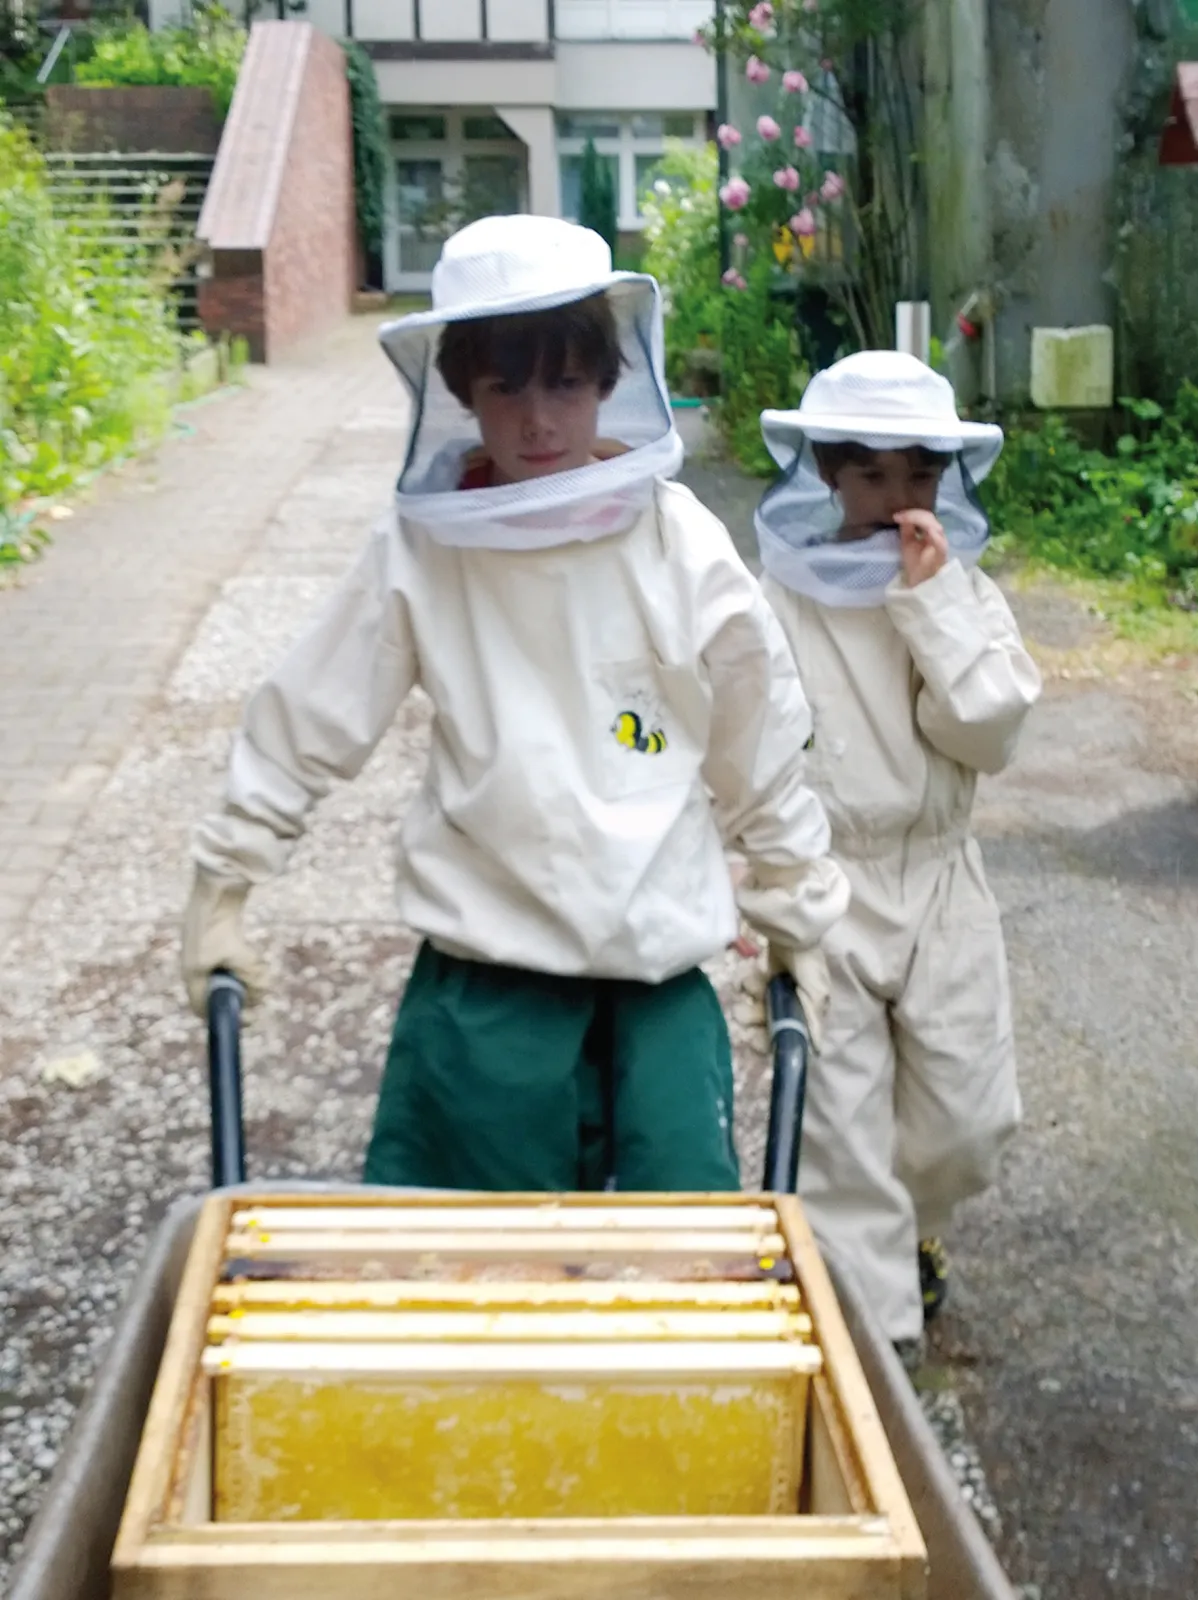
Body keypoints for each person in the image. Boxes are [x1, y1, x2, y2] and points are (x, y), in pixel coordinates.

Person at [179, 214, 846, 1193]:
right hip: (484, 984)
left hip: (658, 976)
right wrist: (223, 884)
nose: (538, 419)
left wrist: (794, 910)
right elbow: (311, 713)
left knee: (681, 1255)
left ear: (608, 381)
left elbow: (759, 736)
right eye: (506, 386)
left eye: (564, 383)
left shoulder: (678, 541)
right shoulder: (423, 549)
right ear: (461, 392)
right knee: (473, 1264)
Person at [754, 349, 1041, 1362]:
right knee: (839, 1136)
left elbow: (989, 733)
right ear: (826, 474)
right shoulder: (775, 600)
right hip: (828, 886)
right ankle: (877, 1361)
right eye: (870, 474)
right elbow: (740, 741)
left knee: (967, 1118)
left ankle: (914, 1225)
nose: (894, 498)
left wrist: (932, 605)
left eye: (917, 474)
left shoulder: (964, 592)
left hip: (943, 881)